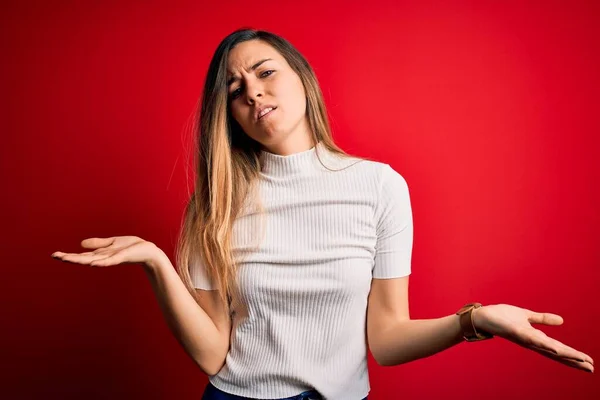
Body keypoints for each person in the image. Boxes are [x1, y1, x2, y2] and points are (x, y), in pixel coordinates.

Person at [51, 28, 594, 400]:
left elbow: (385, 340)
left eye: (265, 72)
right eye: (235, 91)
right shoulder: (212, 205)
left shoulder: (379, 186)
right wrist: (155, 263)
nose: (253, 93)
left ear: (301, 78)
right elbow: (214, 356)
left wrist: (475, 321)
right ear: (231, 116)